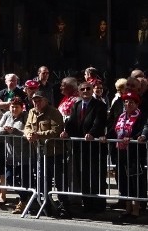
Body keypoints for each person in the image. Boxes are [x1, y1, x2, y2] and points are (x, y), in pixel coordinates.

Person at [63, 81, 108, 213]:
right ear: (79, 91)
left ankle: (99, 205)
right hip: (79, 147)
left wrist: (92, 133)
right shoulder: (76, 105)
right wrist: (66, 131)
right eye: (82, 89)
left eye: (88, 89)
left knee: (95, 177)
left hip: (94, 148)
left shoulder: (100, 105)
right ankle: (87, 204)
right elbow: (71, 122)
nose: (86, 91)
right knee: (82, 176)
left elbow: (99, 122)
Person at [105, 91, 146, 223]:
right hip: (121, 153)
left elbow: (142, 130)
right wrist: (105, 137)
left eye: (131, 102)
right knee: (124, 181)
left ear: (136, 104)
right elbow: (114, 131)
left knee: (135, 181)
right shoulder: (121, 116)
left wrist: (136, 138)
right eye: (126, 102)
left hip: (134, 154)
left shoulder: (141, 116)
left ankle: (136, 209)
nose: (128, 104)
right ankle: (127, 208)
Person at [24, 90, 67, 218]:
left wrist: (38, 135)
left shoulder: (54, 112)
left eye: (39, 100)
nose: (36, 103)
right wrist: (28, 134)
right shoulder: (31, 112)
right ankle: (45, 206)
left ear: (45, 100)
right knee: (42, 181)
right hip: (38, 153)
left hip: (54, 152)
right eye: (34, 100)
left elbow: (55, 131)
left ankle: (63, 207)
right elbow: (27, 126)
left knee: (59, 182)